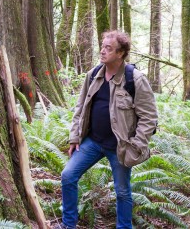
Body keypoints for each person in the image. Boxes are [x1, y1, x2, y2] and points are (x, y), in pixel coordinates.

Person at [59, 30, 158, 229]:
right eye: (102, 47)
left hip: (120, 147)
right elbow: (80, 108)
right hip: (92, 142)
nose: (102, 51)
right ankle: (68, 225)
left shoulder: (135, 79)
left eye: (108, 48)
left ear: (120, 53)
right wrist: (74, 137)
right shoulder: (93, 74)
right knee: (68, 176)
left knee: (122, 192)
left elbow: (149, 117)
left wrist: (136, 146)